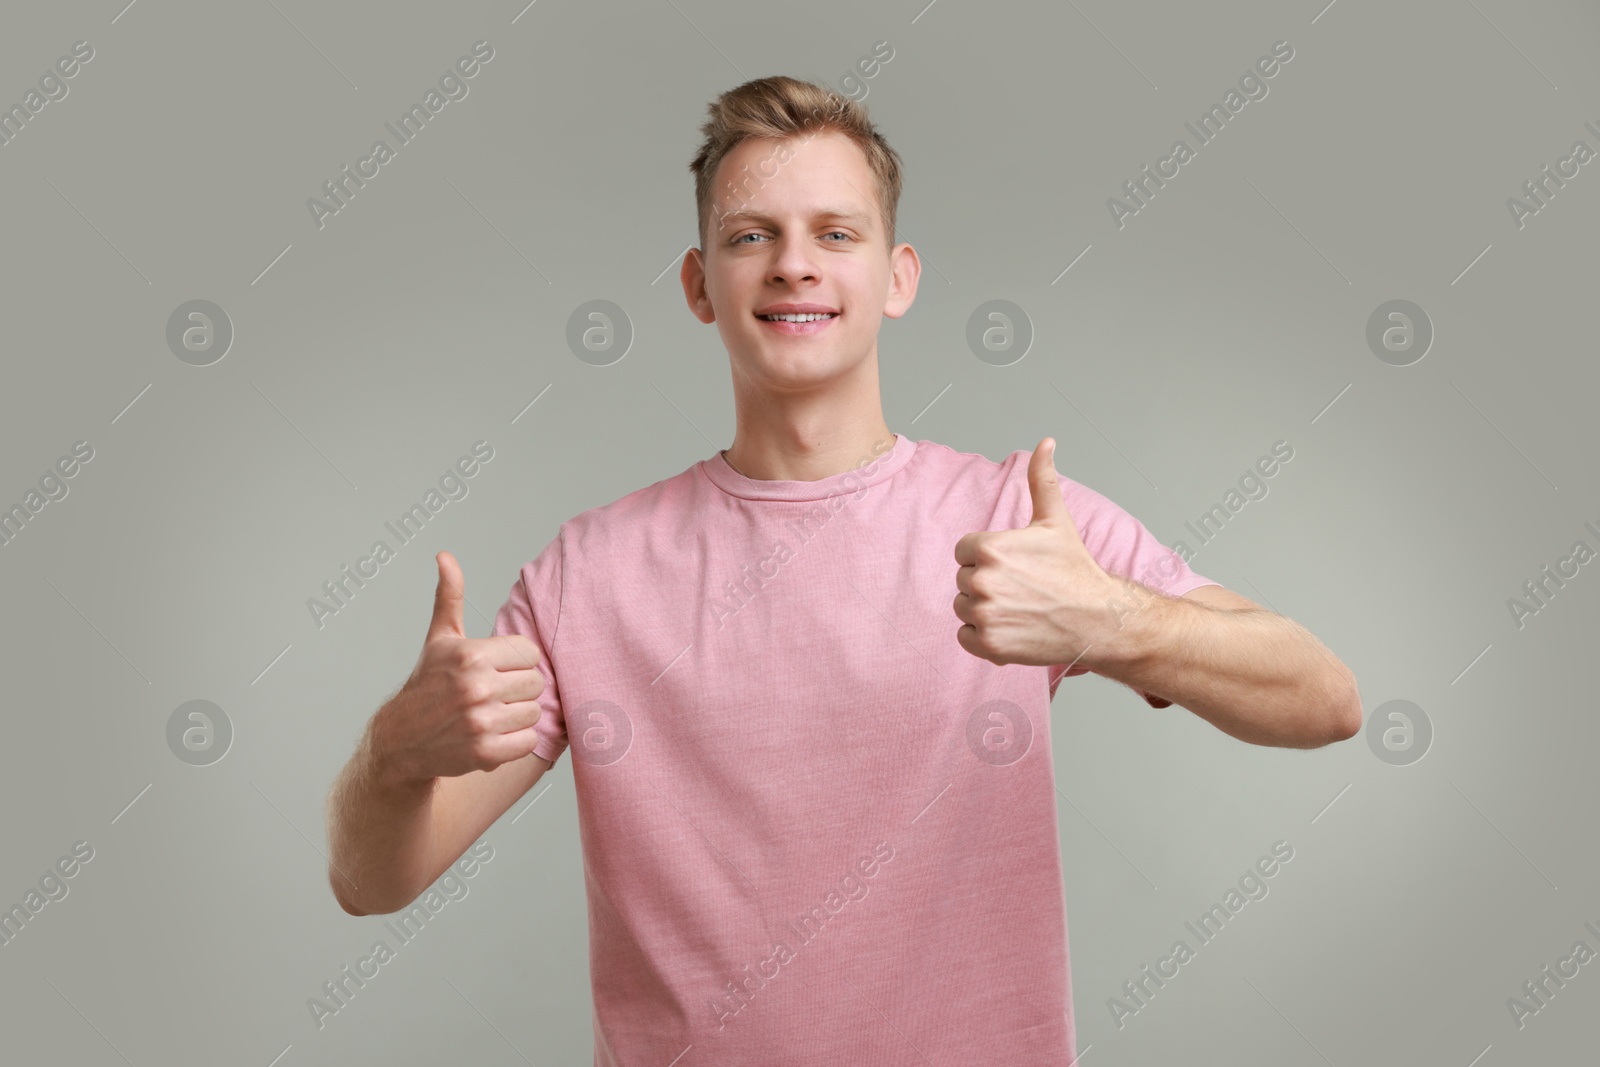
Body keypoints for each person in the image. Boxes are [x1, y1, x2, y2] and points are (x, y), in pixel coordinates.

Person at [325, 75, 1361, 1064]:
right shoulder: (584, 575)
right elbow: (372, 880)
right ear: (698, 285)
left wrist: (1118, 624)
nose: (793, 265)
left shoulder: (1015, 522)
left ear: (896, 275)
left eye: (834, 232)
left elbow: (1325, 697)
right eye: (749, 236)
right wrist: (392, 754)